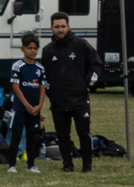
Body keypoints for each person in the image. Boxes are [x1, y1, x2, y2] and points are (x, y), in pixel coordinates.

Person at [42, 11, 103, 173]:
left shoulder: (80, 44)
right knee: (62, 135)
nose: (60, 30)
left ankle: (87, 166)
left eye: (63, 26)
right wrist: (50, 92)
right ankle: (67, 166)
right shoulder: (47, 50)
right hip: (58, 101)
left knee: (84, 134)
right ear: (51, 28)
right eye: (57, 27)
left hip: (79, 100)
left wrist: (88, 84)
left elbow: (96, 64)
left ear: (68, 27)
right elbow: (44, 75)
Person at [7, 33, 46, 174]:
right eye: (30, 48)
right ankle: (12, 165)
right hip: (20, 108)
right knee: (16, 136)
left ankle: (31, 166)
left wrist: (39, 105)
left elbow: (42, 87)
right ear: (23, 49)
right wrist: (26, 105)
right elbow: (16, 87)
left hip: (35, 109)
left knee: (32, 137)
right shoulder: (18, 66)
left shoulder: (40, 68)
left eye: (35, 48)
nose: (33, 51)